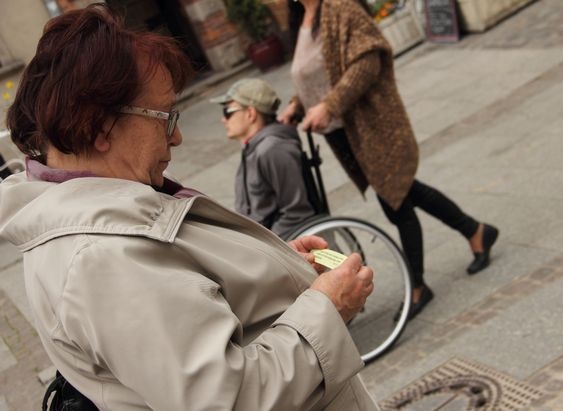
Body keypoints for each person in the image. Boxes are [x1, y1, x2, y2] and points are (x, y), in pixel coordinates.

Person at [0, 4, 378, 410]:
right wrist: (328, 308)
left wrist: (276, 265)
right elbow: (231, 399)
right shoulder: (101, 260)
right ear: (98, 125)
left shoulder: (106, 212)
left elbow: (193, 288)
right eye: (164, 116)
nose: (177, 136)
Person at [278, 0, 499, 320]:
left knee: (397, 202)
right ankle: (476, 232)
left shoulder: (340, 8)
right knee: (403, 191)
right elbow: (318, 72)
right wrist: (297, 105)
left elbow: (369, 59)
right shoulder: (303, 18)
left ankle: (420, 287)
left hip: (374, 128)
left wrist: (329, 105)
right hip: (348, 135)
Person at [211, 78, 316, 239]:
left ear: (251, 114)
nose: (223, 119)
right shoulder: (253, 147)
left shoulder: (272, 149)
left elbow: (296, 213)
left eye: (228, 112)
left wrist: (262, 244)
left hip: (273, 243)